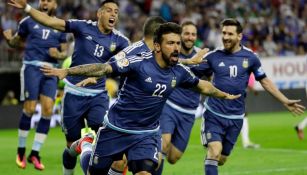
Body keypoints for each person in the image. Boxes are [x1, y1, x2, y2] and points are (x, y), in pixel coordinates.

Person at [41, 22, 241, 175]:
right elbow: (104, 68)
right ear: (156, 46)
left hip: (146, 134)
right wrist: (67, 71)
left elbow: (201, 85)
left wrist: (223, 94)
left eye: (177, 43)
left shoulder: (179, 71)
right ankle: (86, 144)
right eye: (170, 43)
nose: (176, 48)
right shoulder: (137, 63)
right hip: (116, 128)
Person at [8, 0, 130, 174]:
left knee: (106, 141)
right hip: (73, 95)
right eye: (109, 10)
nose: (113, 14)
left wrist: (100, 75)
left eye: (116, 12)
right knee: (70, 147)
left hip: (98, 96)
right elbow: (51, 22)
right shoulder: (82, 27)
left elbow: (126, 65)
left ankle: (108, 167)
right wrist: (27, 8)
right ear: (99, 14)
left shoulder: (120, 40)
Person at [200, 18, 305, 175]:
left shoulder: (250, 57)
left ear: (239, 36)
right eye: (224, 33)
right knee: (214, 151)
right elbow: (192, 76)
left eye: (230, 34)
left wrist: (284, 100)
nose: (226, 37)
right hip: (213, 114)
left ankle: (211, 160)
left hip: (236, 118)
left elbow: (265, 81)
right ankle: (211, 155)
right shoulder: (213, 56)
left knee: (221, 159)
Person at [4, 0, 68, 170]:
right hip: (32, 67)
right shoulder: (27, 21)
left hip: (51, 70)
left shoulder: (60, 25)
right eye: (43, 0)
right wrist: (10, 39)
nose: (45, 2)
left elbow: (65, 51)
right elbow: (16, 42)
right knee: (30, 108)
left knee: (47, 110)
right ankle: (20, 151)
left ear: (55, 4)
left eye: (49, 0)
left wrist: (59, 54)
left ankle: (35, 153)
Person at [154, 21, 212, 175]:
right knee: (163, 144)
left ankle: (149, 161)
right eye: (186, 33)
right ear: (180, 35)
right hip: (169, 106)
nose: (190, 37)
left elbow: (213, 78)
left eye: (193, 34)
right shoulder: (172, 52)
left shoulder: (203, 56)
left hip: (189, 113)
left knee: (173, 157)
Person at [241, 73, 260, 148]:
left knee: (243, 116)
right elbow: (248, 84)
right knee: (244, 116)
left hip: (236, 96)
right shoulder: (246, 70)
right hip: (236, 97)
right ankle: (246, 142)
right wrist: (254, 90)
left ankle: (246, 141)